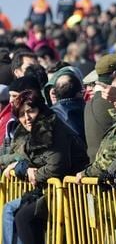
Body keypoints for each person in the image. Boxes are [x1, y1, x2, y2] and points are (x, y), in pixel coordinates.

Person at [1, 90, 88, 244]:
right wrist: (20, 166)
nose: (26, 118)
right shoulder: (29, 130)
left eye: (31, 111)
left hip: (70, 191)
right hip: (49, 189)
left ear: (40, 110)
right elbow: (24, 158)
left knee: (23, 217)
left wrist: (33, 174)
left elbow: (57, 166)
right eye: (21, 114)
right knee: (9, 210)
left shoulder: (52, 128)